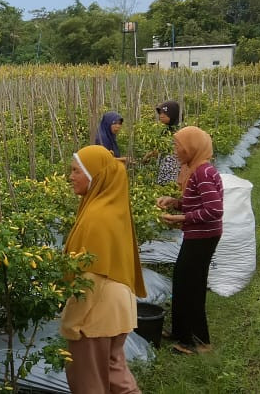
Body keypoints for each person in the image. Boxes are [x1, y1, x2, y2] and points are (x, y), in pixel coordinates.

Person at [61, 145, 147, 394]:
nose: (70, 176)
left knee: (89, 383)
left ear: (95, 176)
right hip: (118, 308)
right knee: (115, 376)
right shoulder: (111, 209)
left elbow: (92, 276)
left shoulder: (96, 217)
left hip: (96, 313)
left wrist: (72, 321)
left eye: (76, 171)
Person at [155, 126, 223, 355]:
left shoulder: (202, 172)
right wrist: (175, 202)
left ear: (192, 147)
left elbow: (214, 210)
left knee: (192, 286)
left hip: (203, 237)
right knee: (182, 280)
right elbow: (197, 202)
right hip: (198, 234)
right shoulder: (196, 169)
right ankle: (180, 332)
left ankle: (199, 342)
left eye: (179, 146)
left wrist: (182, 218)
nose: (176, 151)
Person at [152, 101, 181, 185]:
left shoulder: (180, 131)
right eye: (160, 113)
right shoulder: (165, 130)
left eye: (165, 113)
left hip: (174, 173)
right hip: (164, 172)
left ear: (172, 114)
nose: (161, 116)